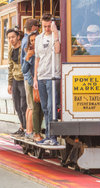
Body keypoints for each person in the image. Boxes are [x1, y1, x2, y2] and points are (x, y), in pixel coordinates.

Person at [34, 13, 61, 146]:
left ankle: (53, 137)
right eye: (44, 26)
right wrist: (35, 78)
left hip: (53, 75)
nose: (46, 29)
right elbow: (37, 59)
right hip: (42, 76)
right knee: (45, 107)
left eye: (48, 26)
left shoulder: (58, 35)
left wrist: (55, 33)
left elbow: (57, 51)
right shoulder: (39, 38)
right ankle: (48, 135)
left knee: (52, 106)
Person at [22, 30, 44, 142]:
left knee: (43, 108)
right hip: (33, 84)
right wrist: (27, 58)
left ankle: (38, 130)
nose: (34, 42)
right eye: (31, 40)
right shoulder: (30, 53)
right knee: (35, 107)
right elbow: (24, 70)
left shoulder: (42, 50)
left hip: (44, 81)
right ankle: (36, 132)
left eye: (35, 40)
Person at [21, 19, 40, 140]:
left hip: (32, 80)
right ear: (33, 27)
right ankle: (29, 132)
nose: (33, 42)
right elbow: (24, 68)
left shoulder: (26, 41)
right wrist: (31, 80)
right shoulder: (27, 47)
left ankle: (28, 132)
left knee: (30, 106)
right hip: (31, 80)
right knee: (32, 107)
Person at [7, 28, 27, 136]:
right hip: (15, 79)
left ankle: (26, 128)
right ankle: (22, 127)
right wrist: (10, 83)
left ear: (18, 37)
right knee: (17, 105)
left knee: (24, 105)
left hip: (23, 79)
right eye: (9, 38)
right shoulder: (11, 50)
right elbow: (10, 67)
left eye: (13, 37)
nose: (11, 40)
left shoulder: (22, 49)